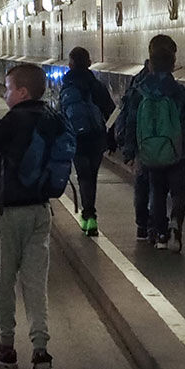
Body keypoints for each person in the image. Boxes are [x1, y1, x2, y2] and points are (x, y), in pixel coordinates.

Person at [0, 63, 66, 369]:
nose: (4, 92)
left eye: (8, 89)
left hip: (10, 213)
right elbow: (7, 139)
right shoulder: (51, 117)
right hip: (40, 211)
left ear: (21, 92)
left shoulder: (16, 119)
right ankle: (41, 350)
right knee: (36, 283)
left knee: (5, 278)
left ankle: (6, 346)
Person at [111, 34, 185, 251]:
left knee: (157, 191)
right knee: (178, 191)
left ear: (150, 64)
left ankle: (160, 234)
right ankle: (175, 224)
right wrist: (179, 134)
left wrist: (130, 152)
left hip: (150, 152)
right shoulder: (178, 91)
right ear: (173, 66)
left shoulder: (140, 90)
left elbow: (132, 123)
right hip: (177, 151)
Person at [59, 47, 116, 237]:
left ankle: (89, 216)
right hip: (97, 137)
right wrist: (112, 137)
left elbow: (61, 114)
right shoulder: (96, 85)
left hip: (77, 138)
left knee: (83, 176)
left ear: (71, 64)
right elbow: (111, 110)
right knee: (92, 175)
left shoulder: (66, 86)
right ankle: (90, 214)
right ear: (89, 62)